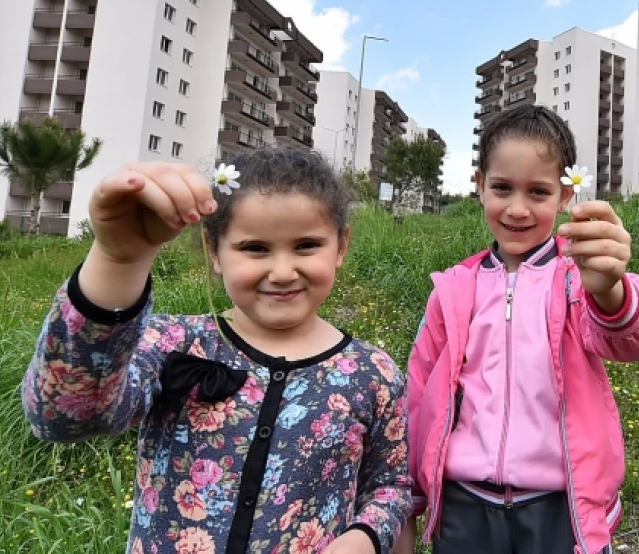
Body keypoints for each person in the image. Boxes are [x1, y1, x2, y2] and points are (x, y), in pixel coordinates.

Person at [21, 148, 411, 554]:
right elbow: (63, 416)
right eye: (255, 248)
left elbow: (391, 486)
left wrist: (366, 535)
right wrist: (118, 260)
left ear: (341, 246)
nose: (281, 272)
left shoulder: (373, 372)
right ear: (214, 250)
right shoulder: (172, 342)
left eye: (307, 245)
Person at [393, 105, 639, 554]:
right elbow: (419, 393)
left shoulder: (580, 278)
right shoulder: (452, 289)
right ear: (479, 186)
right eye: (502, 188)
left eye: (538, 192)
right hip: (463, 505)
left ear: (564, 196)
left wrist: (610, 290)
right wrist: (411, 495)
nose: (517, 209)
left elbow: (636, 338)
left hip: (560, 505)